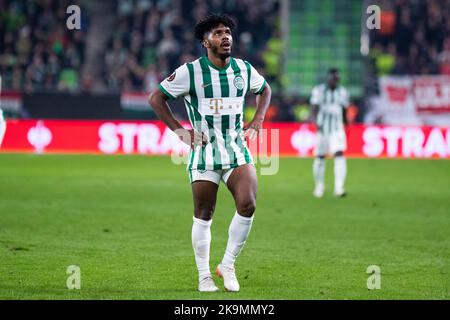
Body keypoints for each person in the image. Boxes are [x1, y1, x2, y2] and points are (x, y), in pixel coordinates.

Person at [149, 14, 271, 292]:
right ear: (206, 42)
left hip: (235, 149)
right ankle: (204, 275)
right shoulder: (190, 72)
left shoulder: (243, 69)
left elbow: (265, 90)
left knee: (248, 203)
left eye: (227, 32)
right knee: (204, 213)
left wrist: (258, 120)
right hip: (204, 152)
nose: (225, 36)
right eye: (217, 33)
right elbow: (156, 98)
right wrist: (180, 131)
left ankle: (227, 264)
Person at [310, 68, 349, 198]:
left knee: (339, 154)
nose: (334, 80)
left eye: (336, 77)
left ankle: (339, 188)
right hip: (323, 129)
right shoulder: (319, 91)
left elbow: (344, 110)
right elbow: (314, 108)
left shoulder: (342, 92)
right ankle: (319, 186)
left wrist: (346, 125)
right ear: (328, 78)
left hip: (337, 129)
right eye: (333, 77)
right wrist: (315, 122)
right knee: (320, 157)